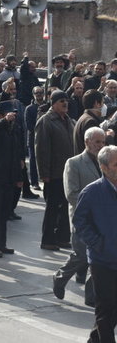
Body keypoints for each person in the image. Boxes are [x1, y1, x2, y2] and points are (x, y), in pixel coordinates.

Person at [53, 126, 104, 302]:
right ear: (86, 142)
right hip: (82, 218)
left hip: (103, 219)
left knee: (98, 258)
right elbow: (71, 194)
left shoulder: (105, 162)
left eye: (103, 142)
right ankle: (60, 278)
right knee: (81, 255)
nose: (100, 145)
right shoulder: (74, 163)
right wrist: (92, 210)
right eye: (97, 142)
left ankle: (91, 296)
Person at [72, 145, 117, 343]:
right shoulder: (91, 192)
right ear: (104, 167)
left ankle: (93, 340)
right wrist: (98, 243)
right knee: (105, 309)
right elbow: (79, 222)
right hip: (103, 261)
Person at [35, 90, 75, 251]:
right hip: (53, 173)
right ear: (53, 103)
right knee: (52, 207)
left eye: (66, 100)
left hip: (68, 172)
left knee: (65, 206)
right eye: (61, 101)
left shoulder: (69, 120)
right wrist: (44, 174)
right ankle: (48, 240)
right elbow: (41, 149)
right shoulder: (46, 121)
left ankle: (63, 238)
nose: (65, 103)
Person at [0, 101, 24, 258]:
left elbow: (18, 156)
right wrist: (3, 121)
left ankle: (2, 244)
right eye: (8, 113)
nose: (12, 116)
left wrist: (19, 177)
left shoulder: (14, 131)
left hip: (9, 178)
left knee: (4, 213)